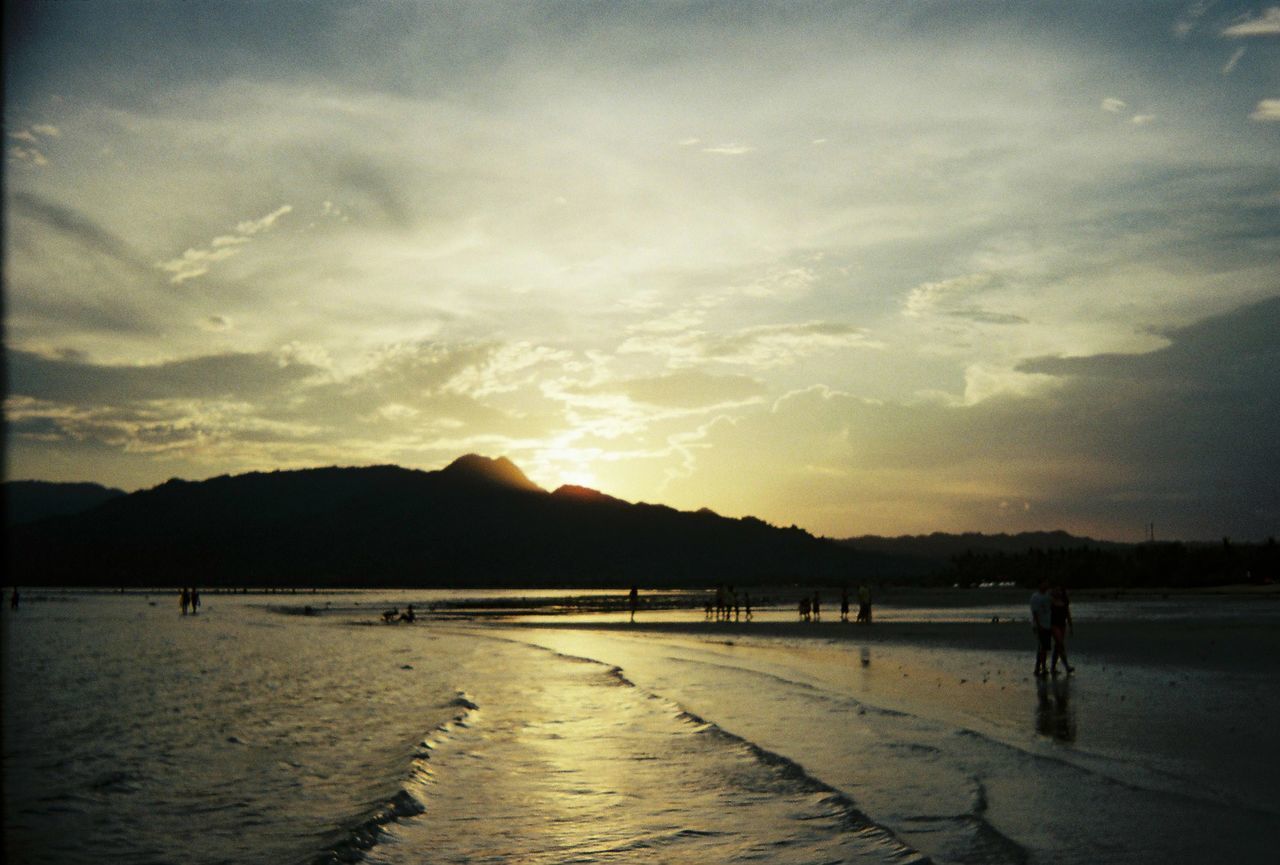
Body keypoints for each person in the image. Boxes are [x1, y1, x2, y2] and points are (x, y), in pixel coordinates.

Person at [1050, 582, 1074, 675]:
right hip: (1054, 625)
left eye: (1059, 590)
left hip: (1062, 625)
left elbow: (1068, 614)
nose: (1058, 592)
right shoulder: (1051, 601)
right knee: (1060, 644)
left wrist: (1071, 626)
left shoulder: (1064, 601)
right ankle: (1067, 666)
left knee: (1057, 647)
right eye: (1056, 590)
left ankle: (1052, 668)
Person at [1030, 580, 1053, 676]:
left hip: (1048, 624)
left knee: (1045, 648)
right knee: (1042, 647)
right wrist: (1038, 626)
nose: (1046, 585)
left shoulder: (1048, 596)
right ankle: (1039, 667)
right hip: (1040, 625)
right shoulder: (1035, 597)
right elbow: (1034, 613)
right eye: (1043, 583)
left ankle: (1042, 667)